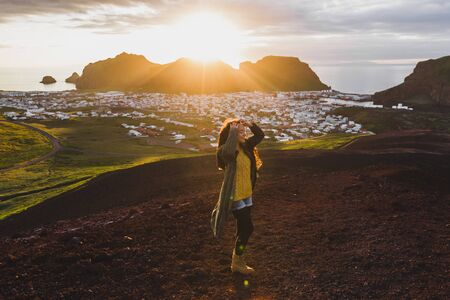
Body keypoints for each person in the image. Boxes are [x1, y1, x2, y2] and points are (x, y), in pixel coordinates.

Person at [210, 118, 264, 275]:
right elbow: (226, 152)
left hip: (247, 194)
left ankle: (238, 261)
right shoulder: (226, 151)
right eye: (240, 132)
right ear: (231, 134)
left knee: (242, 228)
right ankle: (237, 261)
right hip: (235, 196)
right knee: (248, 228)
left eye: (244, 131)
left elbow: (260, 136)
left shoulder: (246, 146)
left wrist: (251, 125)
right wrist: (233, 131)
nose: (244, 134)